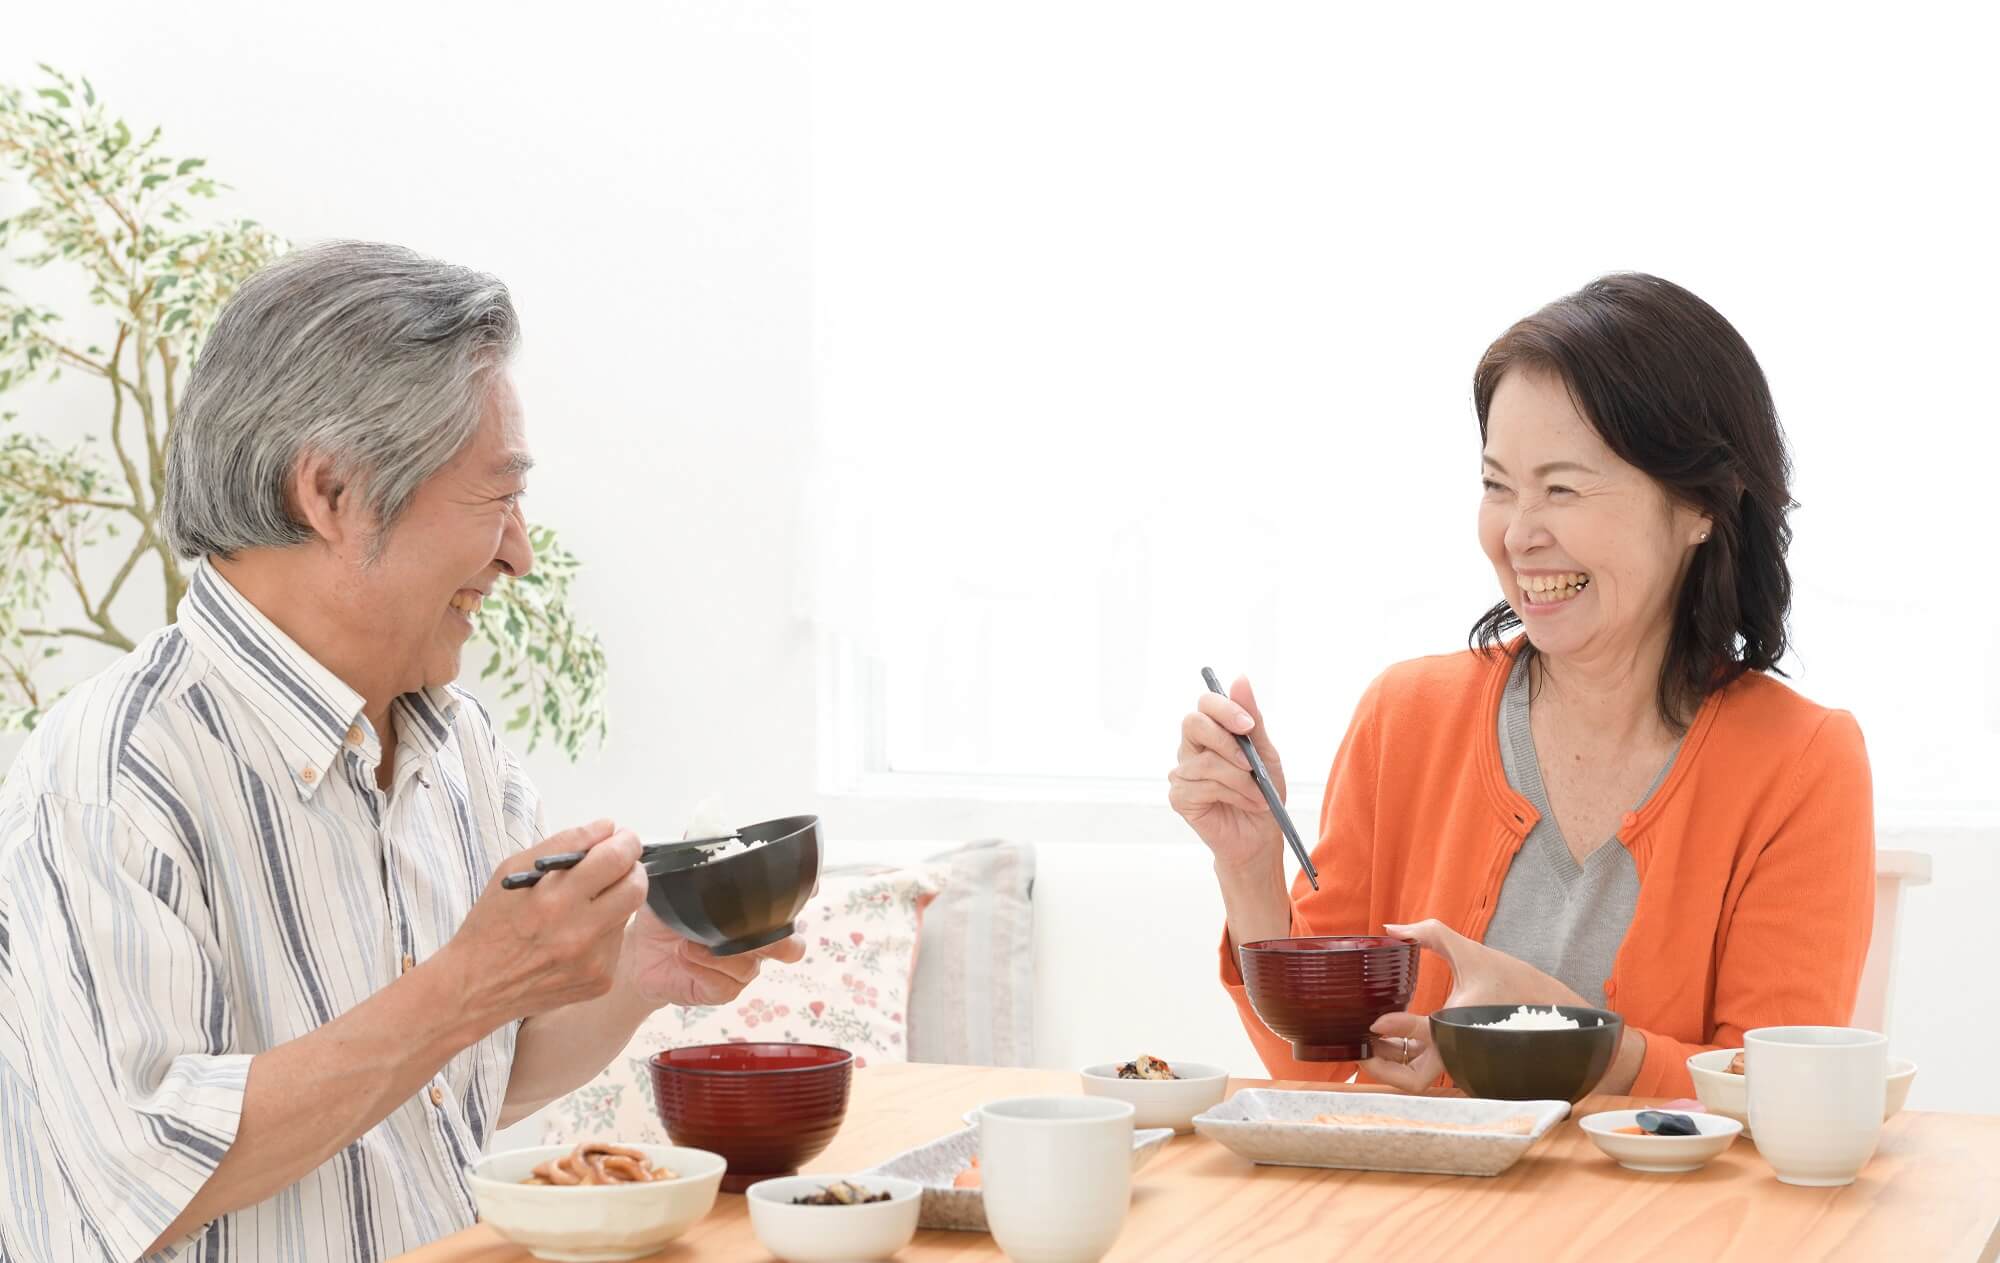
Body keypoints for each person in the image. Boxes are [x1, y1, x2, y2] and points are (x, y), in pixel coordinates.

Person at [0, 241, 803, 1261]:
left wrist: (638, 970)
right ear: (331, 492)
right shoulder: (112, 777)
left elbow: (453, 1075)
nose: (518, 551)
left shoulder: (455, 744)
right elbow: (149, 1166)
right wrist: (471, 980)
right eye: (496, 496)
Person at [1170, 273, 1873, 1100]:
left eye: (1563, 488)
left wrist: (1571, 1038)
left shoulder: (1802, 761)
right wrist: (1250, 867)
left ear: (1699, 507)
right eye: (1497, 485)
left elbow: (1780, 1090)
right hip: (1419, 1228)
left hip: (1663, 1230)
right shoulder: (1405, 718)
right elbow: (1322, 1065)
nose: (1517, 533)